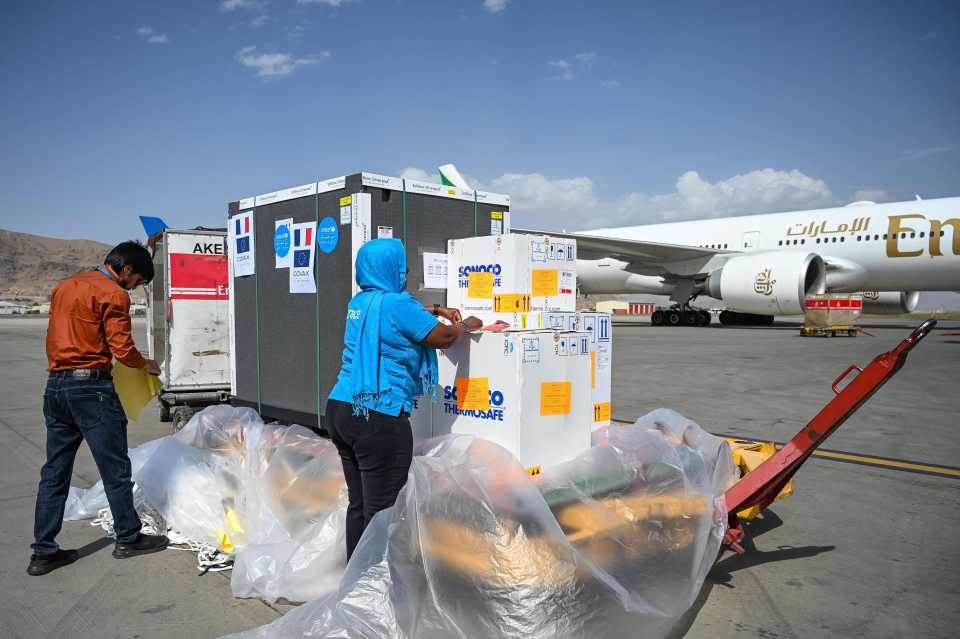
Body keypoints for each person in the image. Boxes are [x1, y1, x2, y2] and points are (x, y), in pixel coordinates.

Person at [326, 239, 482, 559]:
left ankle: (355, 578)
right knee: (383, 512)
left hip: (341, 408)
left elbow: (402, 312)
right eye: (403, 268)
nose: (406, 273)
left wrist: (436, 310)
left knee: (359, 504)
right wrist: (465, 324)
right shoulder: (397, 305)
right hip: (377, 417)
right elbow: (445, 337)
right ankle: (376, 589)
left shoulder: (360, 302)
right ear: (390, 269)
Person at [28, 241, 169, 576]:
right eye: (138, 282)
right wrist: (146, 364)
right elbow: (122, 348)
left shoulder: (64, 287)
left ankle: (43, 551)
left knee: (54, 472)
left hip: (56, 386)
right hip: (91, 389)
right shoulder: (113, 293)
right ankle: (128, 538)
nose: (135, 289)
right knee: (115, 468)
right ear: (128, 270)